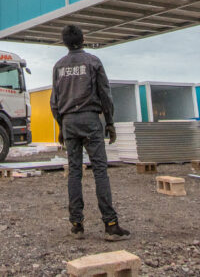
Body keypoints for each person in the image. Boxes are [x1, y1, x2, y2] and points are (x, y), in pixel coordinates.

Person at [50, 24, 129, 242]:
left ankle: (77, 225)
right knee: (100, 171)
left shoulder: (58, 67)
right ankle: (111, 225)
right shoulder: (93, 62)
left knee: (75, 171)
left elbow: (54, 102)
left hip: (69, 122)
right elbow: (105, 93)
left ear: (65, 42)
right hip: (91, 120)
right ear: (83, 39)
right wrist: (110, 122)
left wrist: (61, 126)